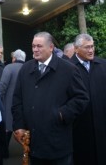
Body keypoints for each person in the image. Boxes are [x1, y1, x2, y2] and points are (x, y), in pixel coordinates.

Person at [12, 32, 89, 165]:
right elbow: (17, 100)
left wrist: (60, 114)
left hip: (58, 144)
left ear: (51, 47)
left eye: (39, 46)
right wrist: (19, 125)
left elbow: (81, 98)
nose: (35, 50)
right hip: (34, 145)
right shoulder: (26, 69)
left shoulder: (68, 69)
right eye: (33, 46)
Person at [69, 33, 106, 165]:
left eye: (92, 46)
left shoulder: (102, 65)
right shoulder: (67, 68)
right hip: (79, 129)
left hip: (101, 127)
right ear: (76, 48)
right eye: (87, 47)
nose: (91, 50)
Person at [0, 49, 26, 158]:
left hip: (10, 104)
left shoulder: (9, 67)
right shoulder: (28, 67)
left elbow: (2, 87)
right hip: (26, 105)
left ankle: (4, 153)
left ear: (14, 58)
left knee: (7, 130)